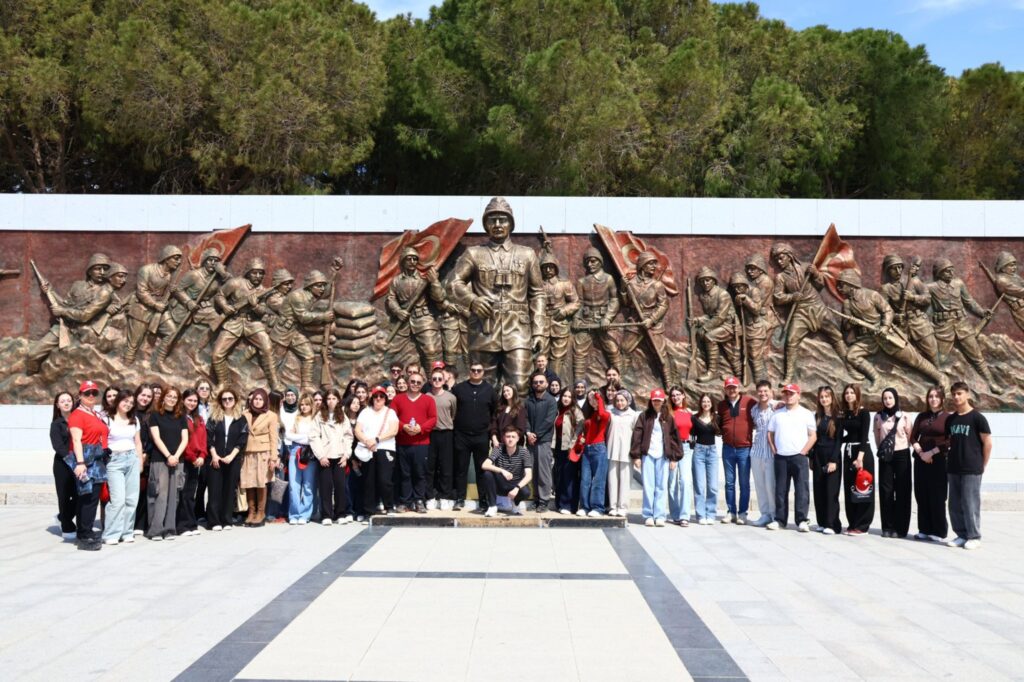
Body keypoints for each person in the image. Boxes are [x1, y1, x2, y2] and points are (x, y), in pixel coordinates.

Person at [945, 381, 991, 550]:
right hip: (954, 467)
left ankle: (974, 535)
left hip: (972, 467)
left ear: (967, 394)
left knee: (970, 502)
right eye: (954, 394)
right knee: (955, 503)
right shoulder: (951, 419)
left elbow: (987, 443)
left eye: (960, 393)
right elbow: (950, 441)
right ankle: (961, 534)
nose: (957, 397)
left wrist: (982, 464)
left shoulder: (978, 418)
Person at [66, 380, 111, 551]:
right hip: (86, 459)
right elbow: (76, 440)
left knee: (92, 498)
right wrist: (80, 463)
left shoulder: (94, 413)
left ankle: (86, 531)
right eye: (87, 393)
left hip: (97, 459)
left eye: (94, 393)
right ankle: (84, 535)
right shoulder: (77, 415)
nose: (91, 396)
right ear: (80, 396)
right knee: (88, 498)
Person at [766, 384, 815, 532]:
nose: (788, 396)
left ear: (799, 395)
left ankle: (802, 520)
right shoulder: (777, 414)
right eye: (786, 394)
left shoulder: (806, 413)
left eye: (791, 393)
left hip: (799, 457)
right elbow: (770, 433)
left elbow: (813, 435)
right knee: (780, 490)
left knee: (802, 489)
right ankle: (780, 519)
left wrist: (804, 451)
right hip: (781, 457)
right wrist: (774, 450)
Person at [631, 388, 682, 526]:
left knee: (661, 486)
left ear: (663, 401)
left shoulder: (668, 418)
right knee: (648, 486)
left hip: (663, 456)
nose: (657, 403)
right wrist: (636, 456)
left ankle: (659, 515)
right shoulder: (644, 416)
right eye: (654, 400)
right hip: (648, 455)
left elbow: (674, 438)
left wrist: (673, 458)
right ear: (651, 401)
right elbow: (637, 435)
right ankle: (648, 514)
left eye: (659, 400)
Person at [451, 362, 496, 511]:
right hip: (462, 436)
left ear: (483, 372)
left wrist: (491, 433)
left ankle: (483, 500)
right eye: (473, 370)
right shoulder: (458, 389)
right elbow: (452, 409)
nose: (476, 372)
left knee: (481, 469)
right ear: (469, 371)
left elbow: (494, 412)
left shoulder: (490, 390)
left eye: (479, 370)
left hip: (481, 436)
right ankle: (459, 499)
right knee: (461, 469)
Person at [391, 371, 437, 513]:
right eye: (412, 381)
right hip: (403, 442)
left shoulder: (428, 400)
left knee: (420, 473)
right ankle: (405, 501)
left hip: (421, 443)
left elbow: (433, 419)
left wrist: (421, 429)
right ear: (408, 382)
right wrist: (403, 426)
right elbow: (392, 418)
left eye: (418, 382)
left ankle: (419, 500)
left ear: (422, 384)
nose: (415, 384)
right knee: (404, 474)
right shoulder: (398, 399)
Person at [101, 389, 143, 546]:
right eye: (125, 401)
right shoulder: (107, 419)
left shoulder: (134, 420)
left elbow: (137, 442)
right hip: (114, 461)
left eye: (131, 403)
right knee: (117, 500)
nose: (128, 404)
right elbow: (102, 441)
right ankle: (111, 533)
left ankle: (127, 532)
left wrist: (139, 462)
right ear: (118, 401)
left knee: (131, 499)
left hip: (131, 458)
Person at [147, 385, 187, 541]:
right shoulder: (155, 415)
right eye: (169, 396)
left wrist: (175, 456)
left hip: (177, 460)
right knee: (160, 494)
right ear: (163, 397)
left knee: (174, 495)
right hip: (160, 459)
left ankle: (170, 529)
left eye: (175, 397)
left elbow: (185, 439)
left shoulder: (181, 416)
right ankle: (156, 530)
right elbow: (156, 438)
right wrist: (168, 455)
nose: (171, 399)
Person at [910, 386, 950, 543]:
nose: (933, 399)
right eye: (930, 396)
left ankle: (938, 531)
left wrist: (931, 453)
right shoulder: (922, 416)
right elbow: (913, 437)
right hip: (921, 460)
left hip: (939, 460)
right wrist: (921, 453)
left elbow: (948, 441)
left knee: (937, 495)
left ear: (942, 399)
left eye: (936, 396)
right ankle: (924, 529)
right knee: (921, 494)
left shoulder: (948, 417)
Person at [206, 387, 248, 531]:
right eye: (224, 399)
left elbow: (242, 439)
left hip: (232, 459)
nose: (227, 401)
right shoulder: (214, 417)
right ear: (220, 401)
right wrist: (214, 455)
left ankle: (226, 520)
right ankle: (214, 521)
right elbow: (208, 437)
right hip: (215, 458)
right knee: (215, 490)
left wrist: (231, 456)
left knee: (229, 489)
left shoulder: (241, 419)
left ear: (235, 400)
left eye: (230, 399)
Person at [873, 387, 912, 539]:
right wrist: (883, 449)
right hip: (885, 457)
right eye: (885, 398)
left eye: (890, 398)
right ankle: (888, 527)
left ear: (895, 398)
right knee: (886, 490)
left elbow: (910, 435)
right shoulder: (878, 417)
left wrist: (900, 447)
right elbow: (877, 436)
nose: (887, 401)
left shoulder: (905, 416)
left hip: (902, 454)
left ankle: (901, 528)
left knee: (902, 490)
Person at [355, 386, 400, 514]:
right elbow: (357, 430)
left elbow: (393, 430)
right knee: (369, 480)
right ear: (372, 398)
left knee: (385, 480)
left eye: (381, 396)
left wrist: (377, 439)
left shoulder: (390, 412)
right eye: (376, 396)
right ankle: (369, 510)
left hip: (385, 448)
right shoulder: (365, 412)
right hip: (368, 449)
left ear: (385, 398)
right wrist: (367, 441)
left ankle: (389, 506)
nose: (378, 399)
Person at [310, 388, 353, 524]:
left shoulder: (342, 416)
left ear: (338, 400)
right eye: (328, 398)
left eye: (334, 398)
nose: (331, 401)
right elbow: (313, 436)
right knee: (325, 487)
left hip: (340, 456)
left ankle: (340, 514)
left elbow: (348, 436)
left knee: (340, 486)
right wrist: (321, 455)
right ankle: (326, 515)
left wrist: (346, 454)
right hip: (325, 456)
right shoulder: (319, 416)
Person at [717, 376, 755, 524]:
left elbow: (764, 406)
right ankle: (731, 511)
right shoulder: (721, 405)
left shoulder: (749, 402)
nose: (732, 390)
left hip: (744, 449)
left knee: (744, 483)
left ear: (739, 388)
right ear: (725, 389)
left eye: (734, 387)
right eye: (729, 387)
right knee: (729, 483)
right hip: (728, 449)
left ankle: (743, 513)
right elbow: (718, 423)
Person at [241, 388, 280, 527]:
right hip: (247, 451)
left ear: (264, 401)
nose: (257, 402)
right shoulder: (244, 413)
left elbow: (274, 438)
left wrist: (273, 457)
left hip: (263, 452)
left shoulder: (271, 415)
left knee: (261, 482)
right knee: (248, 482)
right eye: (255, 399)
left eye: (260, 399)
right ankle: (251, 512)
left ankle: (261, 512)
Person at [839, 384, 874, 535]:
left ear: (857, 394)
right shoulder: (846, 413)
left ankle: (862, 525)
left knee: (863, 488)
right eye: (846, 393)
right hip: (849, 452)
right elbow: (849, 435)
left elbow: (864, 435)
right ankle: (852, 522)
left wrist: (860, 457)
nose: (849, 395)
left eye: (852, 392)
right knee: (850, 488)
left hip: (862, 452)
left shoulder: (864, 412)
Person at [480, 426, 534, 517]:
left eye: (513, 437)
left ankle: (515, 503)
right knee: (487, 474)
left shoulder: (524, 452)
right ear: (504, 438)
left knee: (526, 492)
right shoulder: (498, 449)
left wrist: (517, 488)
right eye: (508, 436)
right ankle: (492, 506)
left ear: (518, 439)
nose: (510, 439)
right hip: (501, 484)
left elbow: (529, 475)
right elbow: (484, 465)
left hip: (515, 485)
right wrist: (502, 471)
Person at [525, 372, 557, 513]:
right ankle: (536, 499)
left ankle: (544, 500)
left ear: (546, 384)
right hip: (530, 441)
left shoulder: (551, 401)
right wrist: (528, 433)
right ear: (532, 384)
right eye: (536, 382)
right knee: (533, 470)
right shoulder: (528, 400)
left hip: (543, 441)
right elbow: (525, 418)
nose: (538, 384)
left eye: (541, 382)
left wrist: (536, 435)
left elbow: (549, 421)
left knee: (543, 471)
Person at [811, 386, 842, 535]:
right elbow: (814, 438)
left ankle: (832, 524)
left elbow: (838, 441)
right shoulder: (817, 416)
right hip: (818, 455)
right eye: (822, 397)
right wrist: (811, 458)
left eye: (827, 396)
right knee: (819, 490)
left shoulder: (838, 416)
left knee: (831, 491)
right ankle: (822, 522)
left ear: (832, 398)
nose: (824, 399)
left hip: (832, 455)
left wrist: (834, 460)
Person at [177, 389, 207, 536]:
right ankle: (182, 525)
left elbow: (203, 438)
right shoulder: (179, 417)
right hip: (185, 459)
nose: (192, 403)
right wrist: (193, 457)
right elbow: (183, 441)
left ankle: (191, 523)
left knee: (190, 493)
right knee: (182, 493)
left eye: (195, 401)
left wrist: (202, 455)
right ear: (183, 400)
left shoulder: (199, 418)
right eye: (189, 400)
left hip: (197, 460)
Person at [284, 393, 317, 524]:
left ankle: (305, 514)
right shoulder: (295, 418)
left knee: (308, 485)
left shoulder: (316, 419)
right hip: (295, 451)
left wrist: (299, 436)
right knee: (294, 485)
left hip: (310, 453)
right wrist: (304, 437)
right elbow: (288, 435)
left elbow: (313, 438)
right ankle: (294, 514)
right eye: (302, 404)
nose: (304, 407)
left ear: (311, 405)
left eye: (307, 404)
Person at [427, 368, 457, 510]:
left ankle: (445, 497)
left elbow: (453, 414)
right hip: (431, 434)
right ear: (430, 380)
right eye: (434, 379)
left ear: (444, 380)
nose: (437, 381)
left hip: (446, 434)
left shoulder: (451, 397)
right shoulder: (426, 396)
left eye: (440, 379)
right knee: (430, 467)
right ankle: (431, 497)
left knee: (446, 467)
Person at [749, 381, 778, 527]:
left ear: (771, 391)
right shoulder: (754, 409)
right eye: (760, 391)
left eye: (765, 391)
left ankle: (775, 516)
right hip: (757, 451)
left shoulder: (777, 407)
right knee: (760, 485)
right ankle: (765, 514)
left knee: (770, 485)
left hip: (772, 452)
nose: (763, 394)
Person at [50, 391, 77, 541]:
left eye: (69, 400)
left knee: (80, 494)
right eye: (63, 401)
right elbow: (58, 446)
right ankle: (67, 526)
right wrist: (72, 459)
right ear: (57, 405)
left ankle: (62, 517)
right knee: (65, 496)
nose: (66, 403)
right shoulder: (56, 424)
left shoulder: (78, 420)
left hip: (79, 463)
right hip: (63, 464)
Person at [578, 390, 610, 517]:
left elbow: (602, 414)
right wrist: (582, 438)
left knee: (598, 480)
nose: (593, 400)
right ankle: (585, 506)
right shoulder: (589, 414)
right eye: (590, 398)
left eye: (595, 398)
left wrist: (598, 396)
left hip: (599, 448)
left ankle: (598, 508)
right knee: (585, 480)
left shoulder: (605, 413)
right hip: (587, 448)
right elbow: (586, 429)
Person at [606, 390, 638, 517]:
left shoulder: (633, 415)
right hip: (612, 450)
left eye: (622, 400)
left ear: (628, 401)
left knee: (625, 481)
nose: (619, 403)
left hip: (626, 452)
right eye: (617, 400)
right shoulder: (610, 413)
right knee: (612, 480)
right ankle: (613, 506)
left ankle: (623, 506)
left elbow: (636, 435)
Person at [553, 388, 583, 514]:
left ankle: (569, 505)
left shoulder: (575, 411)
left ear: (572, 399)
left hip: (570, 446)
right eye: (564, 396)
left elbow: (580, 427)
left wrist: (573, 443)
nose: (566, 398)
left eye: (569, 397)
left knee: (569, 476)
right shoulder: (557, 410)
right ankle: (559, 503)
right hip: (558, 446)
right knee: (559, 475)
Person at [691, 394, 720, 525]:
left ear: (712, 403)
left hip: (712, 452)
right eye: (704, 401)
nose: (706, 403)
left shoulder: (716, 418)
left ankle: (711, 514)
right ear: (700, 403)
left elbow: (722, 432)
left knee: (713, 486)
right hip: (699, 452)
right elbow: (691, 434)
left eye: (708, 401)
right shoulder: (695, 418)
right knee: (699, 485)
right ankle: (701, 515)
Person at [668, 387, 693, 526]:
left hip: (687, 448)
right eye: (673, 395)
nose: (676, 397)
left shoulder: (689, 412)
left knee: (685, 481)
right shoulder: (669, 413)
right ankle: (675, 514)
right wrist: (671, 455)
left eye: (678, 394)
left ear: (683, 395)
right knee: (672, 483)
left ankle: (685, 515)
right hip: (673, 449)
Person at [132, 384, 154, 535]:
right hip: (129, 456)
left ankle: (140, 523)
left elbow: (155, 438)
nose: (145, 398)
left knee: (143, 490)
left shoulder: (152, 415)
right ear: (136, 395)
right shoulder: (128, 412)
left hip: (146, 458)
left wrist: (146, 454)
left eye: (148, 396)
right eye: (143, 395)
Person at [193, 380, 213, 522]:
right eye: (201, 388)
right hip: (196, 447)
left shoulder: (212, 407)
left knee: (206, 480)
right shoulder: (193, 406)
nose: (204, 391)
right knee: (197, 482)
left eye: (207, 388)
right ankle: (198, 511)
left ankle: (206, 511)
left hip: (210, 447)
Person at [489, 383, 528, 449]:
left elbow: (520, 429)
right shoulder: (499, 408)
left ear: (514, 391)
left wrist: (509, 440)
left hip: (513, 446)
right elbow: (493, 425)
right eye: (504, 391)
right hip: (498, 445)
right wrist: (494, 439)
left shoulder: (520, 409)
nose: (505, 393)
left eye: (508, 390)